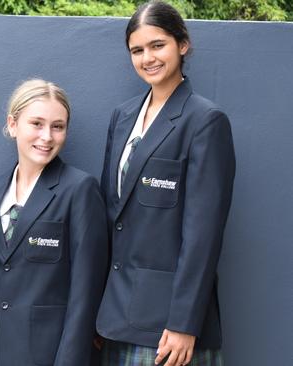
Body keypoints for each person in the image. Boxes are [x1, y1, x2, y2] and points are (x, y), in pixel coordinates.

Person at [96, 2, 236, 365]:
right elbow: (112, 216)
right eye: (137, 50)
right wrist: (97, 311)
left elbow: (203, 233)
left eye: (158, 45)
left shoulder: (205, 121)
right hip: (115, 316)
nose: (148, 58)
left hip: (168, 326)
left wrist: (184, 323)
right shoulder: (122, 117)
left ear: (183, 45)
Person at [0, 79, 109, 365]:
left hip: (48, 355)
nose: (47, 136)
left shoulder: (79, 189)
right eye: (37, 123)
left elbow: (86, 291)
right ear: (13, 124)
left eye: (57, 126)